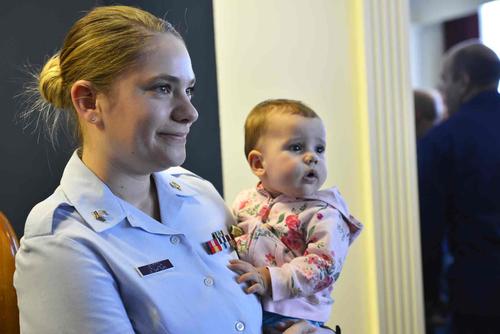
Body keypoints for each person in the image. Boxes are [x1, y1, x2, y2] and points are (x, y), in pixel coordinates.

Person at [13, 6, 328, 334]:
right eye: (162, 88)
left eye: (188, 89)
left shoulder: (199, 194)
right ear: (89, 102)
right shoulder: (62, 245)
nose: (189, 111)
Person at [227, 99, 363, 332]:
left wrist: (270, 278)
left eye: (319, 149)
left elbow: (323, 266)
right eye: (297, 148)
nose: (312, 157)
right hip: (249, 306)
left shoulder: (324, 213)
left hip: (296, 316)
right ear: (259, 163)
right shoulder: (244, 201)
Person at [418, 40, 500, 334]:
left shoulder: (442, 141)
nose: (441, 91)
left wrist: (427, 300)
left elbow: (429, 227)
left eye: (444, 81)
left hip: (477, 293)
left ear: (463, 80)